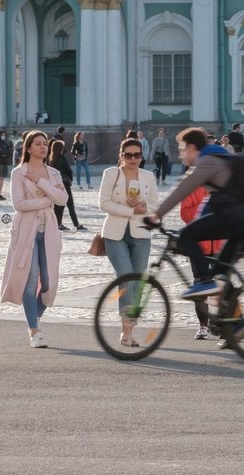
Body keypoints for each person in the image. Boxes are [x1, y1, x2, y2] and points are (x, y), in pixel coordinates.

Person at [148, 127, 244, 299]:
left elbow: (181, 190)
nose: (181, 155)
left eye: (182, 150)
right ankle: (237, 324)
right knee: (220, 276)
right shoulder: (220, 157)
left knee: (187, 235)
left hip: (237, 220)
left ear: (192, 148)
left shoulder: (208, 161)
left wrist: (156, 215)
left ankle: (203, 281)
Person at [0, 131, 69, 348]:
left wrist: (41, 182)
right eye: (38, 144)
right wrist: (47, 200)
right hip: (25, 231)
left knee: (48, 282)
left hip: (48, 231)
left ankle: (34, 317)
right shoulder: (19, 173)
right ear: (28, 148)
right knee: (30, 282)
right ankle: (34, 330)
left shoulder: (53, 173)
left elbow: (62, 199)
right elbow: (19, 204)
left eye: (45, 144)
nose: (43, 147)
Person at [99, 138, 160, 347]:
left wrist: (144, 207)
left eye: (137, 155)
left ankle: (129, 331)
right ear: (121, 155)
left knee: (138, 282)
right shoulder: (111, 174)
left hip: (141, 235)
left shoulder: (148, 176)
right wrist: (131, 210)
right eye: (128, 155)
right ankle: (125, 332)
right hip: (114, 234)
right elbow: (103, 203)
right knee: (127, 278)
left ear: (142, 156)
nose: (133, 159)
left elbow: (154, 204)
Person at [180, 183, 225, 341]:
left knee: (222, 284)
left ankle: (223, 323)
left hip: (221, 242)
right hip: (199, 244)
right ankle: (203, 325)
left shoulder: (222, 183)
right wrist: (204, 208)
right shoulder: (192, 186)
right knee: (201, 285)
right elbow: (185, 214)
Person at [49, 140, 85, 232]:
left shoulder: (51, 158)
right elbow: (69, 170)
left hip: (55, 184)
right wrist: (70, 180)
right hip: (64, 183)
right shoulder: (62, 158)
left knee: (59, 205)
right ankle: (76, 224)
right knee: (70, 204)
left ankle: (58, 223)